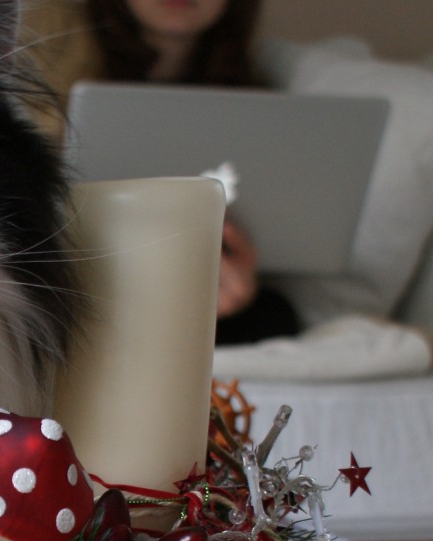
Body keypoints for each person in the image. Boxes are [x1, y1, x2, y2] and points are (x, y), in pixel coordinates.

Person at [26, 0, 301, 346]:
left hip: (199, 290)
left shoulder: (259, 107)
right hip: (94, 283)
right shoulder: (50, 94)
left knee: (275, 314)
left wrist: (236, 289)